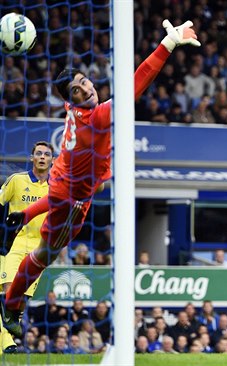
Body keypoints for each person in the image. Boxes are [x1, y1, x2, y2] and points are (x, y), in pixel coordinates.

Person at [1, 18, 201, 338]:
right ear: (72, 100)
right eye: (77, 91)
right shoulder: (95, 117)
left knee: (45, 250)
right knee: (43, 256)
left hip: (72, 179)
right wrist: (168, 45)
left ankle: (15, 255)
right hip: (72, 198)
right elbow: (138, 82)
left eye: (84, 82)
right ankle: (11, 305)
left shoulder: (77, 111)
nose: (86, 89)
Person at [0, 141, 53, 353]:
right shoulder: (16, 180)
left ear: (52, 160)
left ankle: (7, 344)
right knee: (7, 292)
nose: (42, 157)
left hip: (40, 249)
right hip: (14, 244)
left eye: (46, 154)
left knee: (19, 302)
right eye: (38, 153)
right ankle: (9, 344)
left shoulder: (55, 188)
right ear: (31, 158)